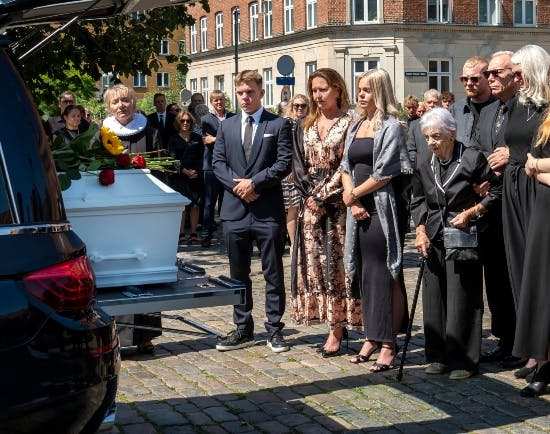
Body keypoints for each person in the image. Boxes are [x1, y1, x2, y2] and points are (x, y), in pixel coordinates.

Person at [412, 107, 501, 380]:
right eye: (427, 137)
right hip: (434, 236)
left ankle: (463, 360)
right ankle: (437, 355)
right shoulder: (425, 161)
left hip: (463, 236)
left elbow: (496, 192)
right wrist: (419, 230)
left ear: (452, 134)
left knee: (463, 297)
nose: (431, 143)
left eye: (436, 136)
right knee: (434, 296)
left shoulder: (472, 158)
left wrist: (472, 212)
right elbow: (417, 199)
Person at [212, 70, 292, 352]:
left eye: (250, 92)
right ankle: (242, 328)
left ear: (261, 92)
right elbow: (218, 164)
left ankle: (274, 328)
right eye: (241, 93)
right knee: (238, 274)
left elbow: (284, 163)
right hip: (234, 210)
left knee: (273, 272)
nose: (245, 97)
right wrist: (239, 188)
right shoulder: (227, 126)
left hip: (266, 210)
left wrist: (255, 183)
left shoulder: (279, 124)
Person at [341, 68, 411, 372]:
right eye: (359, 88)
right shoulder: (356, 124)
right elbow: (345, 164)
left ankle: (388, 343)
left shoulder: (392, 127)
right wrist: (350, 197)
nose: (360, 94)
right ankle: (371, 335)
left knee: (385, 272)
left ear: (380, 91)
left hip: (380, 209)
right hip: (356, 209)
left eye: (367, 89)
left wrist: (354, 194)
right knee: (364, 272)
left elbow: (384, 172)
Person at [291, 68, 361, 357]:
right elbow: (298, 163)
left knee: (337, 267)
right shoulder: (306, 123)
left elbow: (347, 164)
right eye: (314, 90)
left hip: (338, 205)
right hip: (310, 207)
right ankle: (325, 319)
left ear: (337, 89)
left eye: (323, 89)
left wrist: (323, 195)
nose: (318, 95)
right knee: (313, 265)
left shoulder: (350, 122)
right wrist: (309, 195)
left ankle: (338, 328)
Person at [469, 51, 521, 369]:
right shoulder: (489, 111)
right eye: (487, 73)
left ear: (514, 75)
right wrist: (480, 179)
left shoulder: (525, 109)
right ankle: (504, 338)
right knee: (496, 277)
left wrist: (510, 157)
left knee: (516, 274)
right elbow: (475, 146)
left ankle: (522, 342)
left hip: (516, 201)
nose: (490, 78)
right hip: (490, 203)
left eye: (495, 73)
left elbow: (530, 147)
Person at [502, 44, 550, 389]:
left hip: (539, 189)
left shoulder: (546, 107)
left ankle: (542, 352)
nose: (512, 78)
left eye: (518, 73)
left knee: (539, 272)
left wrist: (534, 167)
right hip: (516, 184)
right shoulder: (517, 104)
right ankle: (533, 350)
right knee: (520, 266)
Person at [101, 83, 162, 353]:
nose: (121, 106)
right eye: (116, 102)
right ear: (109, 107)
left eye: (125, 100)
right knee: (117, 269)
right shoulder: (102, 133)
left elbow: (162, 164)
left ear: (133, 103)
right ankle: (115, 336)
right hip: (114, 209)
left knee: (144, 269)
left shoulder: (149, 130)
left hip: (144, 207)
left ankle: (145, 335)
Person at [516, 112, 550, 397]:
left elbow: (531, 162)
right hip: (543, 209)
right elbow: (527, 163)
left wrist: (536, 165)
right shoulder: (546, 120)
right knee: (542, 287)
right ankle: (543, 361)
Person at [201, 90, 235, 247]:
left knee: (226, 201)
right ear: (211, 102)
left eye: (221, 99)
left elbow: (236, 139)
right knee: (209, 201)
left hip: (230, 165)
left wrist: (215, 138)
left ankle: (225, 233)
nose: (219, 102)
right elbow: (204, 140)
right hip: (211, 165)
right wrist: (222, 139)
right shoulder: (205, 120)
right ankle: (206, 234)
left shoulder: (234, 117)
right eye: (215, 100)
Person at [168, 111, 204, 244]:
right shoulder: (173, 138)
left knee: (195, 204)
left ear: (191, 123)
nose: (185, 123)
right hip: (180, 177)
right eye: (182, 121)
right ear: (178, 122)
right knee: (182, 205)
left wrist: (196, 171)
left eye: (188, 121)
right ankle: (181, 233)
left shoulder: (197, 138)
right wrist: (183, 170)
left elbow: (202, 156)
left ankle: (194, 233)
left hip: (195, 175)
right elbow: (172, 158)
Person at [282, 93, 309, 248]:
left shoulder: (310, 123)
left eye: (303, 105)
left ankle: (305, 243)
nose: (299, 108)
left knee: (305, 207)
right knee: (292, 208)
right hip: (290, 172)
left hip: (307, 172)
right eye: (296, 105)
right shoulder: (287, 123)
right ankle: (294, 245)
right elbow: (285, 150)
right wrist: (290, 170)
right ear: (291, 107)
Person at [450, 56, 496, 146]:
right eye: (464, 79)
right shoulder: (455, 110)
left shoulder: (501, 107)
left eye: (474, 79)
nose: (469, 83)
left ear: (488, 78)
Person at [407, 89, 442, 168]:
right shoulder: (415, 125)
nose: (432, 105)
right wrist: (417, 165)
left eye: (435, 102)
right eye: (429, 102)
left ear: (440, 103)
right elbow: (411, 149)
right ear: (425, 104)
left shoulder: (447, 123)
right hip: (420, 170)